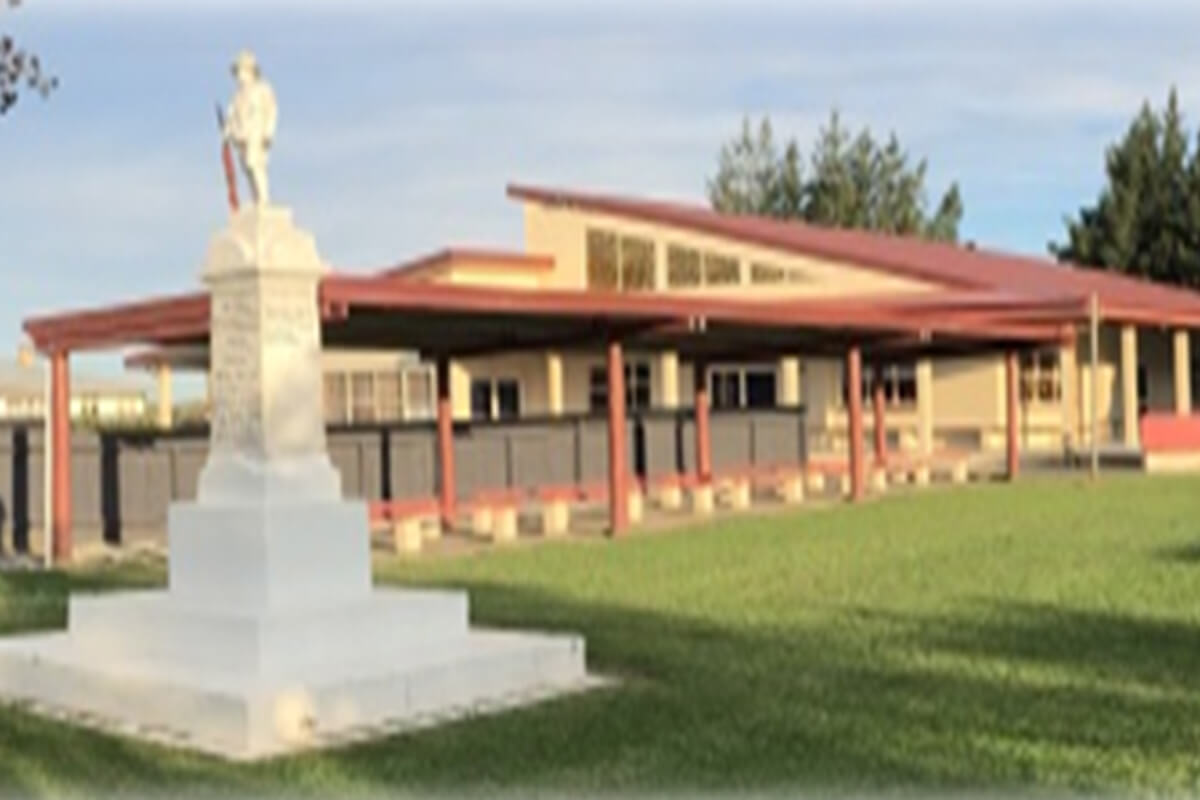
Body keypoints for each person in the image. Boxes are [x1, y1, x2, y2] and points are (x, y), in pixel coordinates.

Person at [223, 50, 277, 207]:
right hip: (241, 135)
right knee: (247, 167)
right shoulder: (238, 96)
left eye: (241, 71)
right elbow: (232, 117)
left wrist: (269, 130)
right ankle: (255, 197)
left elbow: (271, 110)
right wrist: (229, 130)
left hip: (256, 129)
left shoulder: (262, 89)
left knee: (255, 164)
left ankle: (263, 198)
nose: (239, 76)